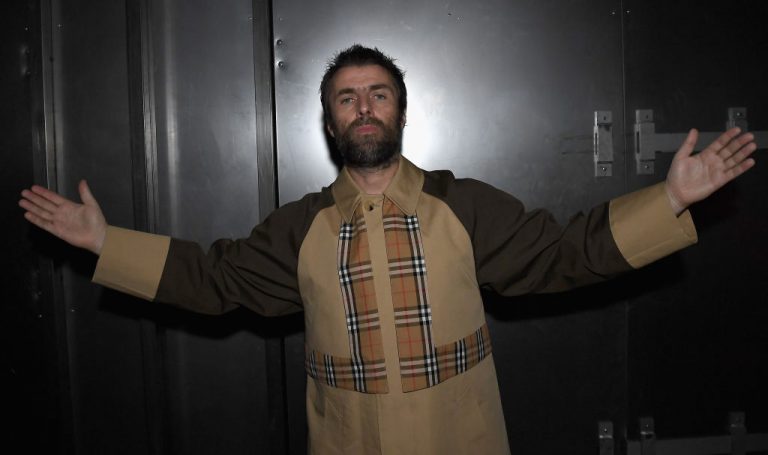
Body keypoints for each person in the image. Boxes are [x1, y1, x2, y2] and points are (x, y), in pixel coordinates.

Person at [19, 45, 757, 454]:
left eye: (377, 93)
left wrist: (669, 201)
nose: (364, 106)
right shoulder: (299, 227)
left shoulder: (464, 204)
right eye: (347, 98)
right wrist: (105, 242)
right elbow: (213, 279)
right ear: (330, 124)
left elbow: (567, 251)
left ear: (400, 111)